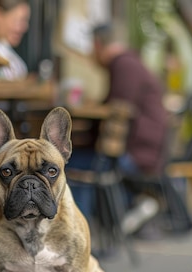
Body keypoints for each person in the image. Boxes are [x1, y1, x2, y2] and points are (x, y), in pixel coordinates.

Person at [67, 23, 171, 240]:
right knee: (81, 158)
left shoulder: (123, 65)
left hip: (136, 149)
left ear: (97, 44)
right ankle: (94, 227)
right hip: (144, 146)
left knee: (70, 162)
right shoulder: (130, 62)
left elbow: (116, 108)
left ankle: (76, 234)